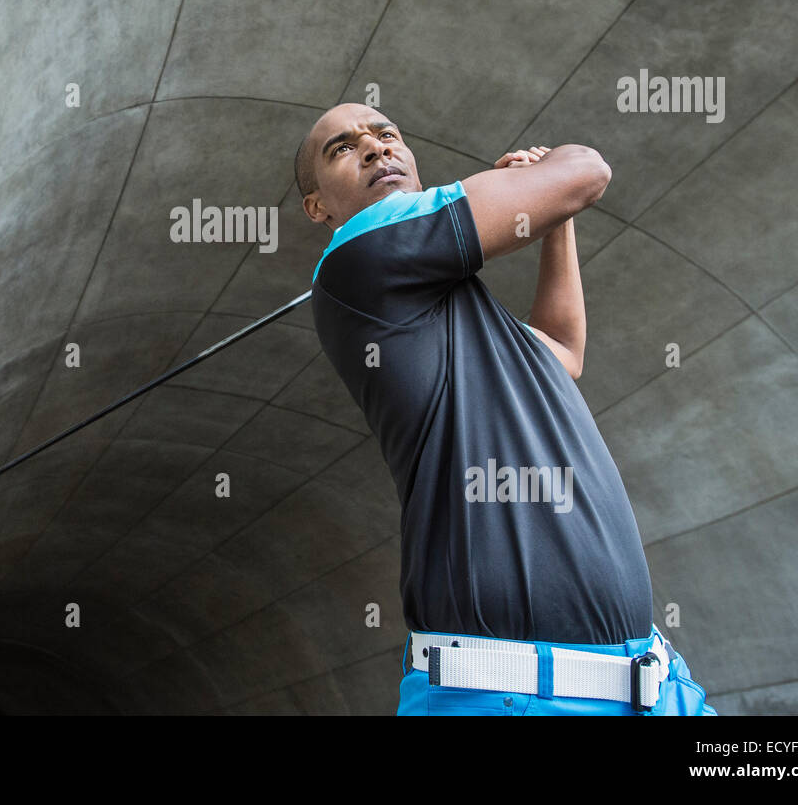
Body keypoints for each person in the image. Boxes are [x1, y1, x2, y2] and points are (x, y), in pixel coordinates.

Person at [295, 103, 716, 716]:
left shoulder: (452, 314)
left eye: (388, 134)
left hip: (655, 688)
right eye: (343, 147)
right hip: (505, 694)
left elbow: (562, 351)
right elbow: (586, 173)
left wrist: (556, 226)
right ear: (318, 208)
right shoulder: (363, 248)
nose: (376, 147)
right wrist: (553, 169)